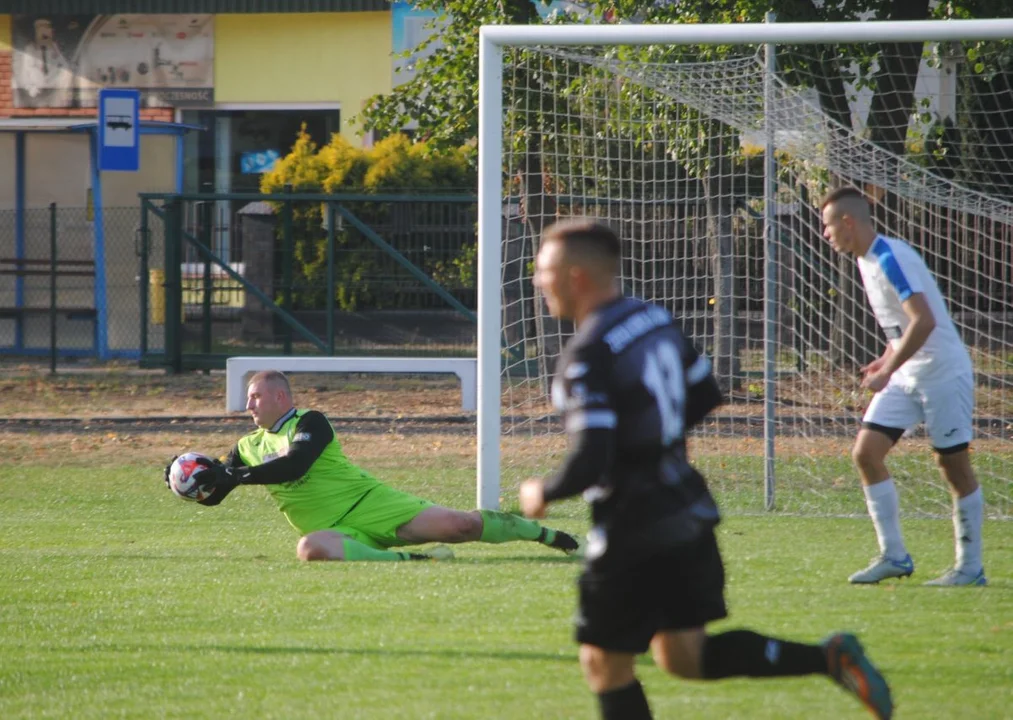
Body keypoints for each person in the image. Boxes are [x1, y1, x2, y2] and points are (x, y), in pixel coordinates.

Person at [518, 218, 893, 720]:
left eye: (544, 271)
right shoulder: (652, 318)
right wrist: (659, 442)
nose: (539, 282)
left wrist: (544, 490)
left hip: (634, 525)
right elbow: (704, 393)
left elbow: (593, 457)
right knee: (683, 657)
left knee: (604, 664)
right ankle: (828, 656)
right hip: (689, 510)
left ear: (577, 276)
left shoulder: (587, 353)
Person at [163, 370, 581, 562]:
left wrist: (235, 473)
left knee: (463, 526)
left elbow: (295, 466)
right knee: (310, 549)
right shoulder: (245, 447)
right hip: (336, 531)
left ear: (279, 397)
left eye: (255, 396)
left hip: (374, 504)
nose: (248, 404)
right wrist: (182, 481)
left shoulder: (311, 421)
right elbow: (215, 493)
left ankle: (544, 534)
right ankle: (414, 562)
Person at [820, 187, 986, 587]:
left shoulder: (890, 257)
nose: (825, 234)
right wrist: (886, 357)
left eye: (828, 226)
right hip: (908, 373)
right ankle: (894, 556)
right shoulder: (866, 259)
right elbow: (902, 324)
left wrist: (885, 370)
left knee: (953, 466)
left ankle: (970, 567)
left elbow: (924, 320)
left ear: (848, 222)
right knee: (866, 453)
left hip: (943, 374)